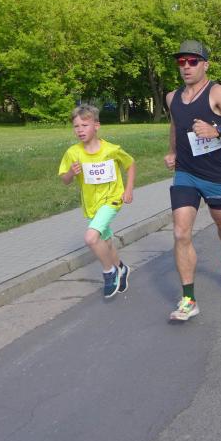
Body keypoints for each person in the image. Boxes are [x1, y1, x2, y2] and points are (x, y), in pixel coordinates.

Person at [164, 39, 221, 321]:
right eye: (181, 61)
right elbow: (175, 126)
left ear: (205, 65)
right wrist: (172, 151)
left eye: (192, 61)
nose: (186, 66)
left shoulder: (217, 92)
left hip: (214, 174)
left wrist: (217, 130)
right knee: (181, 232)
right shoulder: (172, 97)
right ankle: (188, 299)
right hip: (185, 173)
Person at [59, 105, 136, 299]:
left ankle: (109, 272)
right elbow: (65, 180)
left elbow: (130, 164)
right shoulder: (73, 153)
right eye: (76, 126)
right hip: (92, 205)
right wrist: (71, 173)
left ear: (96, 126)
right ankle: (122, 268)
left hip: (112, 200)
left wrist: (128, 190)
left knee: (91, 238)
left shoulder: (111, 150)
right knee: (106, 242)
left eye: (84, 125)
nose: (80, 130)